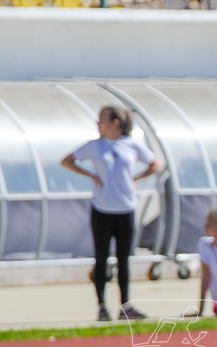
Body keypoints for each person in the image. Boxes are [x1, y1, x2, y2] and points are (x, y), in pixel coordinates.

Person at [61, 105, 159, 322]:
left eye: (102, 119)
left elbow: (154, 164)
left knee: (124, 260)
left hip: (126, 209)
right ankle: (102, 306)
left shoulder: (131, 145)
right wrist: (91, 176)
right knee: (102, 258)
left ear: (115, 123)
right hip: (102, 209)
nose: (98, 124)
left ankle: (126, 306)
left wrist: (136, 179)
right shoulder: (95, 147)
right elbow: (67, 160)